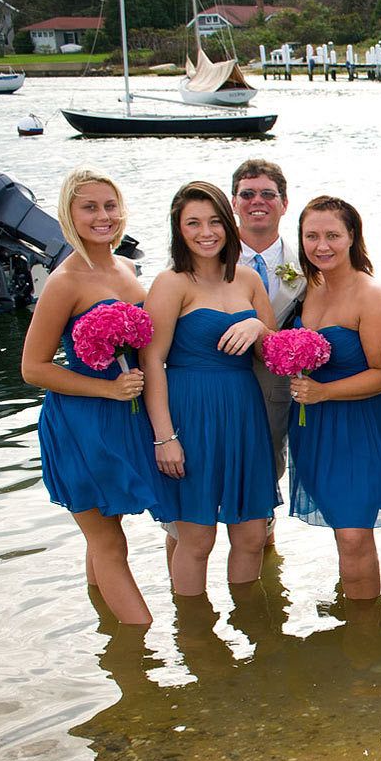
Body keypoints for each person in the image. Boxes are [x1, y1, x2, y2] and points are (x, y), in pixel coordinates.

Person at [20, 168, 165, 625]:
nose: (102, 216)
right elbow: (33, 369)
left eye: (109, 206)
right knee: (108, 541)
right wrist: (107, 388)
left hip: (125, 419)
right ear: (69, 214)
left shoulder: (125, 267)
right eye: (90, 207)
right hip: (82, 423)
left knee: (105, 532)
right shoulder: (65, 281)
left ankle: (109, 632)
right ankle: (141, 646)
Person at [141, 182, 279, 598]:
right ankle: (194, 634)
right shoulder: (171, 283)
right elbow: (152, 362)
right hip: (190, 413)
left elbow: (273, 354)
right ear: (178, 229)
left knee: (252, 533)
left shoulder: (249, 279)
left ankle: (249, 620)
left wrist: (258, 326)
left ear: (229, 224)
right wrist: (165, 438)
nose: (206, 232)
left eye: (215, 221)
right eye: (193, 223)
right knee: (197, 538)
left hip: (243, 411)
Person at [285, 196, 381, 600]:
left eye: (332, 235)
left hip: (360, 431)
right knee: (345, 534)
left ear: (352, 237)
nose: (321, 245)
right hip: (314, 431)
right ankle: (354, 618)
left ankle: (365, 643)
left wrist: (324, 392)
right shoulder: (305, 290)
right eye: (311, 236)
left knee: (354, 536)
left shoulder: (371, 296)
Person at [231, 159, 307, 481]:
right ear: (233, 202)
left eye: (267, 194)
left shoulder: (307, 263)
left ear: (284, 203)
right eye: (247, 194)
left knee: (264, 485)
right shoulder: (204, 255)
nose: (257, 201)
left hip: (274, 392)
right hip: (213, 382)